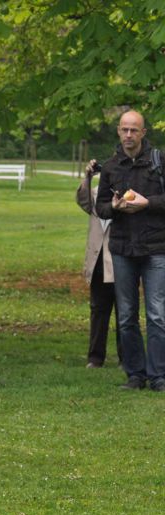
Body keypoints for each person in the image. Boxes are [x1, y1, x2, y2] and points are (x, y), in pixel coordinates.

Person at [95, 109, 165, 391]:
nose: (128, 135)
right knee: (126, 316)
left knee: (157, 314)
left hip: (156, 249)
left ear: (143, 133)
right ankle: (135, 374)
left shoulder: (158, 162)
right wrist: (114, 207)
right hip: (123, 249)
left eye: (134, 130)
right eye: (124, 129)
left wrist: (149, 203)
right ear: (118, 131)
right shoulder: (111, 167)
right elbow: (99, 207)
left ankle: (159, 375)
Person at [76, 159, 121, 369]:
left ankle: (127, 357)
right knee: (98, 310)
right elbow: (82, 202)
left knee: (125, 312)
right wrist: (87, 176)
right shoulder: (95, 192)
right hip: (98, 260)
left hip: (121, 259)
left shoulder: (127, 194)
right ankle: (95, 357)